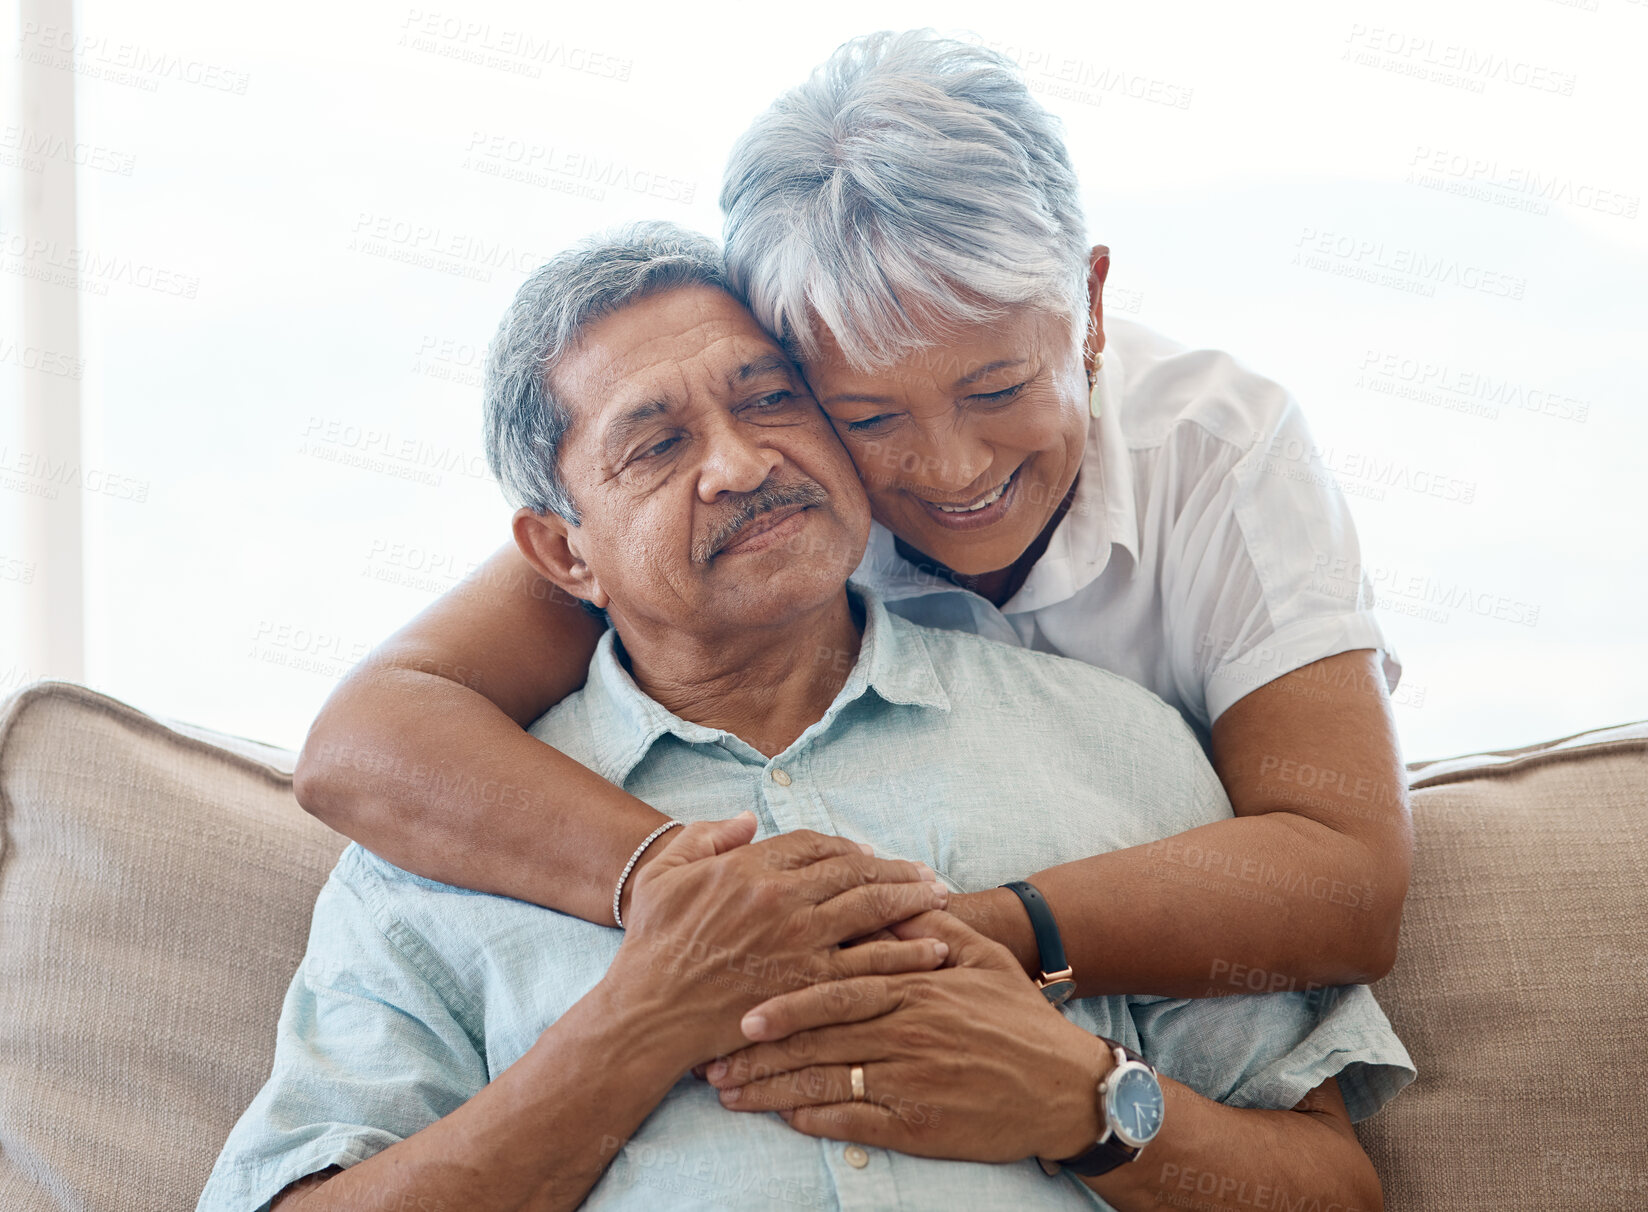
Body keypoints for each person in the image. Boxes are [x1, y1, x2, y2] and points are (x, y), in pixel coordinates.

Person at [198, 226, 1410, 1212]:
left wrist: (1090, 1106)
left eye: (772, 399)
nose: (737, 464)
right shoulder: (437, 846)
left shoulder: (1120, 746)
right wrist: (645, 1014)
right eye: (657, 444)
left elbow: (1333, 1191)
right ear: (563, 553)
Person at [293, 29, 1412, 1003]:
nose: (953, 467)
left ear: (1090, 304)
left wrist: (948, 947)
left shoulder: (1222, 450)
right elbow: (367, 740)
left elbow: (1348, 887)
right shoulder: (758, 489)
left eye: (997, 390)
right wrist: (701, 900)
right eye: (867, 414)